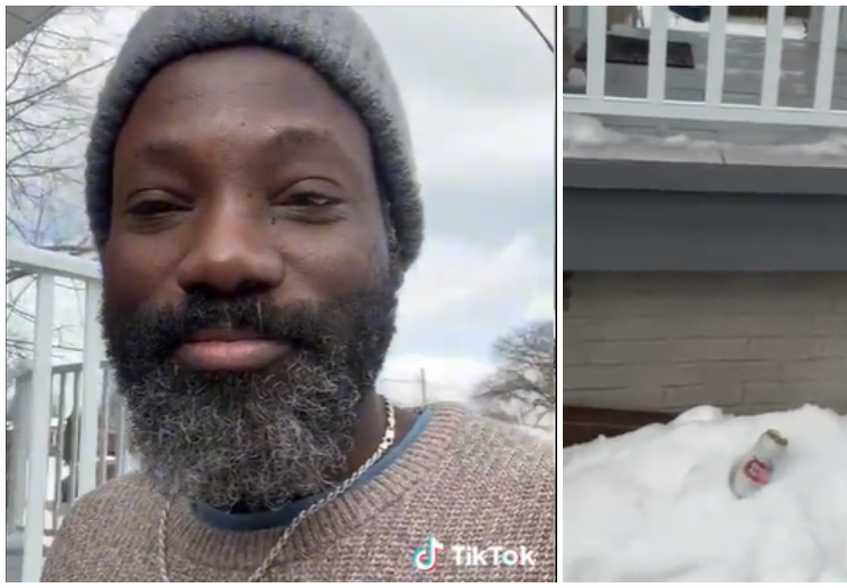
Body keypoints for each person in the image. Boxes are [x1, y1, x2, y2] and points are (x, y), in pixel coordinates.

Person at [42, 6, 554, 582]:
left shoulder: (541, 522)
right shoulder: (87, 540)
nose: (223, 257)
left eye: (306, 197)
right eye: (157, 205)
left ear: (393, 240)